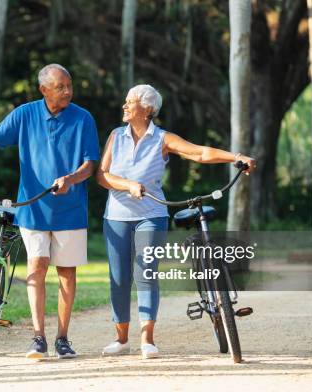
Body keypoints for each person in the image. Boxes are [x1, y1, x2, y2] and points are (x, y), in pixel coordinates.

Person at [0, 64, 100, 359]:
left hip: (71, 209)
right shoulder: (24, 114)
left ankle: (62, 338)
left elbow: (90, 164)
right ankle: (38, 337)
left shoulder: (83, 119)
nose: (67, 91)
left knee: (66, 272)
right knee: (36, 266)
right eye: (60, 86)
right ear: (44, 90)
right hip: (32, 208)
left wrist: (71, 179)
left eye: (69, 85)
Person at [96, 84, 255, 359]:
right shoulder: (115, 136)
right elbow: (102, 175)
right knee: (119, 279)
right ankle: (121, 339)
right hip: (116, 216)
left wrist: (236, 157)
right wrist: (127, 184)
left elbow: (199, 153)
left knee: (145, 271)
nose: (124, 106)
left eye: (129, 102)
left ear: (147, 110)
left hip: (152, 215)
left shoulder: (162, 139)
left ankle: (147, 339)